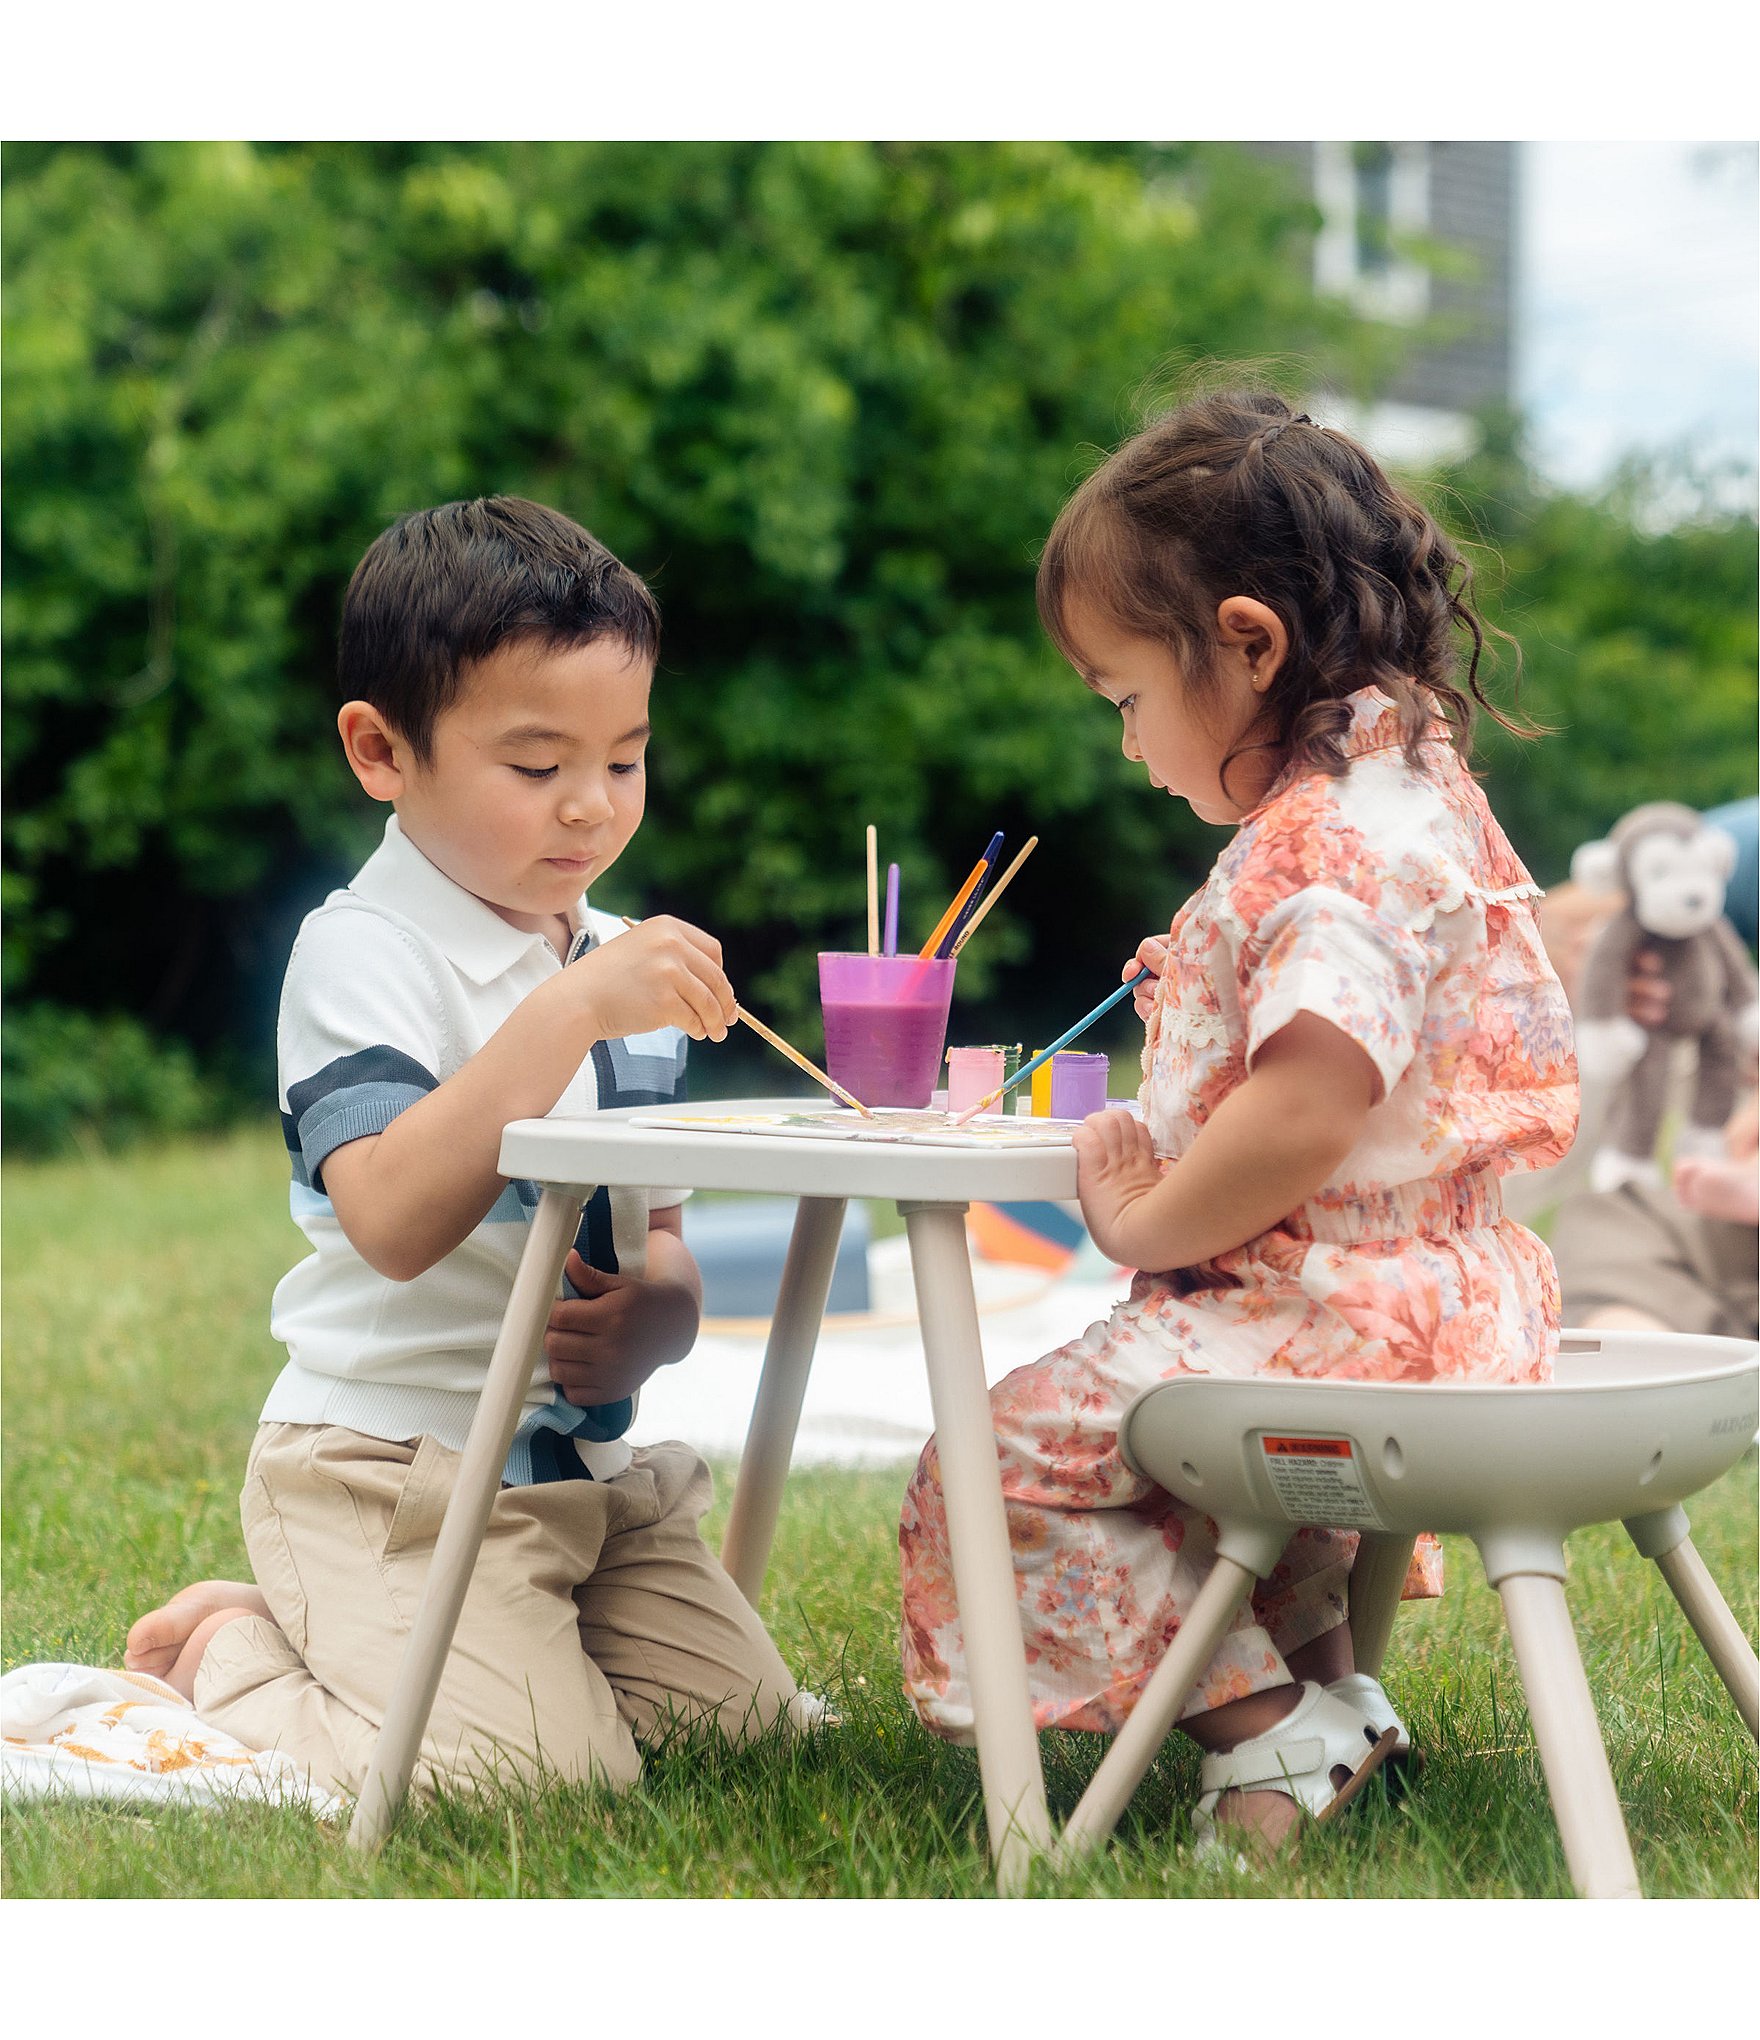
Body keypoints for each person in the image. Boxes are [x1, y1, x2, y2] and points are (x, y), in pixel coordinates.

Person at [899, 389, 1577, 1855]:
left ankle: (1267, 1740)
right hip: (1444, 1305)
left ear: (1250, 643)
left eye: (1128, 697)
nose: (1127, 742)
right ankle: (1341, 1710)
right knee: (1217, 1466)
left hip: (1333, 1317)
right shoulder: (1415, 796)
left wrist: (1145, 1218)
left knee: (994, 1456)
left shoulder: (1326, 843)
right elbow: (1375, 1036)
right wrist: (1210, 976)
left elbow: (1309, 1108)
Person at [125, 497, 810, 1801]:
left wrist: (659, 1316)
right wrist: (566, 1013)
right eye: (537, 768)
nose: (591, 810)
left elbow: (659, 1234)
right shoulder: (365, 952)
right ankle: (234, 1649)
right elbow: (386, 1217)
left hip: (587, 1482)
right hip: (395, 1474)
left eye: (625, 759)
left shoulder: (611, 962)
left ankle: (454, 1658)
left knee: (753, 1753)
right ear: (382, 752)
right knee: (530, 1785)